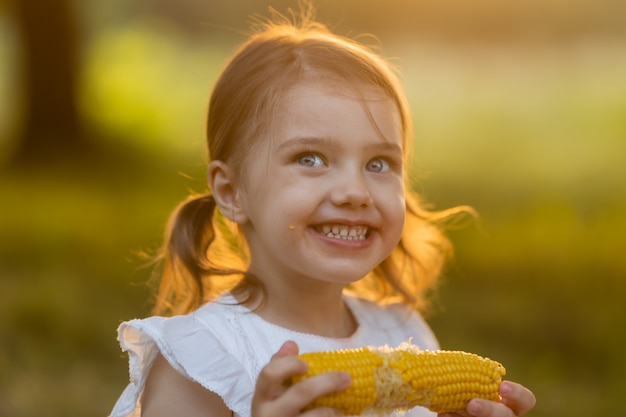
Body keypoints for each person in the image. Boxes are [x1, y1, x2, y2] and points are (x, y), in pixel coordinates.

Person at [109, 5, 536, 417]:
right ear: (232, 191)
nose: (355, 192)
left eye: (378, 164)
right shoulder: (203, 359)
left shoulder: (406, 333)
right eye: (311, 158)